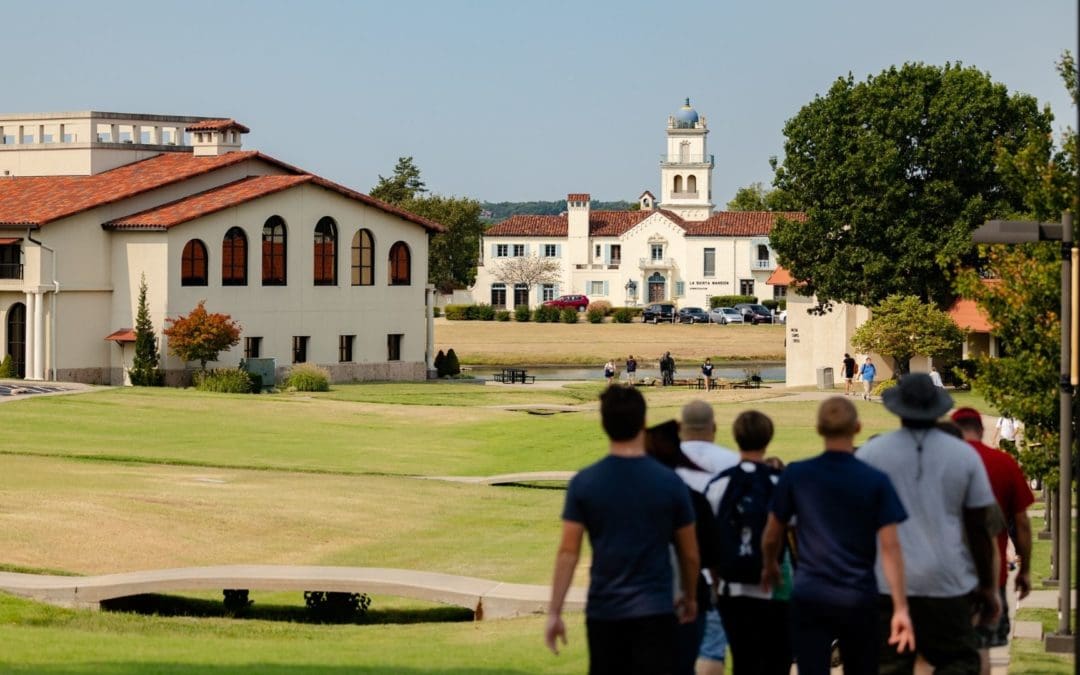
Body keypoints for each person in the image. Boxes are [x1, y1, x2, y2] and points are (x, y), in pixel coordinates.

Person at [546, 385, 700, 674]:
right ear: (643, 423)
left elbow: (568, 552)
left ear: (604, 425)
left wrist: (555, 611)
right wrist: (690, 597)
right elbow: (689, 553)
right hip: (655, 610)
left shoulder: (585, 482)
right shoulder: (670, 483)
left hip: (606, 611)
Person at [857, 374, 1001, 674]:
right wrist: (988, 585)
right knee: (958, 661)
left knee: (889, 665)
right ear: (937, 409)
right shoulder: (963, 456)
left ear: (897, 409)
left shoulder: (872, 454)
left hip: (887, 583)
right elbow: (978, 529)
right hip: (948, 581)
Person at [762, 397, 914, 674]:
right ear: (857, 427)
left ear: (819, 429)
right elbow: (891, 547)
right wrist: (900, 605)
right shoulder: (875, 479)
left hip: (811, 591)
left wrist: (770, 564)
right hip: (858, 593)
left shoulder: (796, 474)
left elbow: (773, 534)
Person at [704, 410, 792, 675]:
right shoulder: (780, 482)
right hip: (774, 587)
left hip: (732, 586)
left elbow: (709, 537)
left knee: (743, 659)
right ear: (768, 438)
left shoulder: (720, 484)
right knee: (776, 661)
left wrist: (716, 575)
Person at [951, 407, 1035, 675]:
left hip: (945, 576)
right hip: (991, 573)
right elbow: (1021, 522)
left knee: (943, 653)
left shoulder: (940, 466)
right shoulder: (1003, 462)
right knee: (982, 650)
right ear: (981, 430)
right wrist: (1025, 569)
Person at [645, 419, 722, 675]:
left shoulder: (636, 499)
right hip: (687, 599)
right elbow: (705, 558)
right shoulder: (694, 499)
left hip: (642, 598)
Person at [677, 400, 739, 675]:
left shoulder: (659, 462)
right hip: (716, 569)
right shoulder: (732, 463)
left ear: (680, 428)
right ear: (714, 428)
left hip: (668, 572)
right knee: (712, 646)